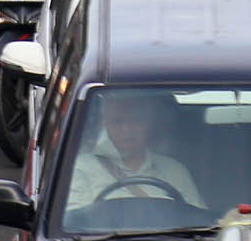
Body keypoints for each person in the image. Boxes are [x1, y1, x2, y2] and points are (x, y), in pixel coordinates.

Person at [63, 90, 204, 212]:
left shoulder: (175, 170)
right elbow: (75, 223)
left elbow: (197, 220)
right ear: (105, 124)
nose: (127, 130)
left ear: (149, 124)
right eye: (118, 122)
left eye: (136, 121)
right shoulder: (80, 169)